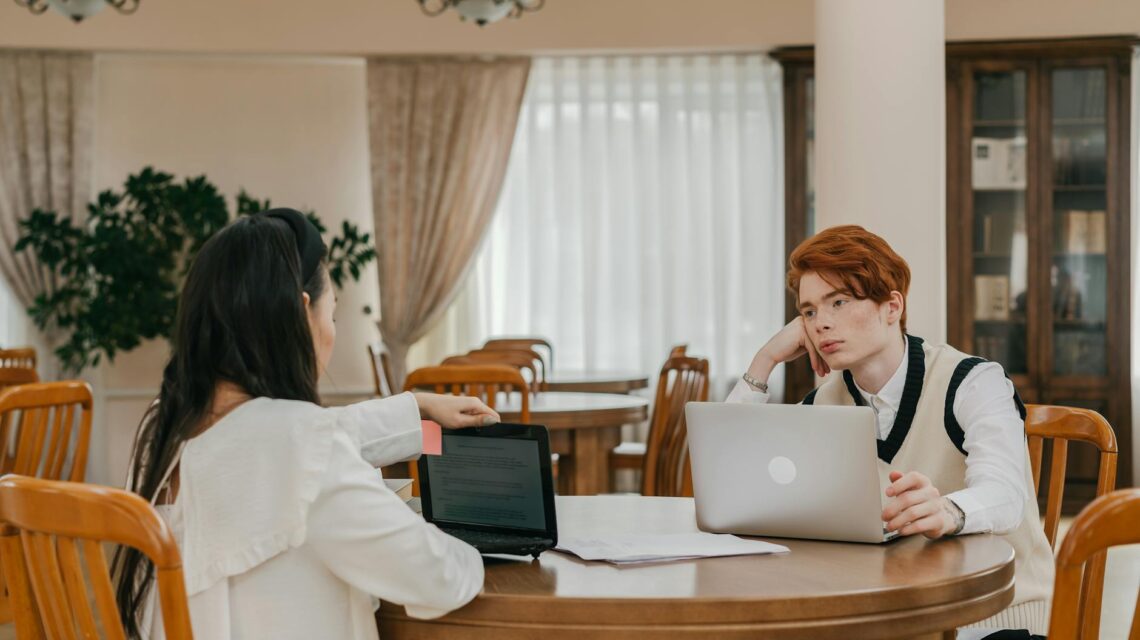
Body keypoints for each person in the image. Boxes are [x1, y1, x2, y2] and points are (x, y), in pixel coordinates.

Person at [113, 208, 498, 640]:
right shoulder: (299, 441)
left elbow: (283, 440)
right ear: (302, 312)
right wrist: (482, 549)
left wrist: (418, 408)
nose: (331, 331)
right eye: (333, 315)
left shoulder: (162, 426)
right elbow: (437, 577)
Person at [727, 225, 1053, 638]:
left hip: (991, 621)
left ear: (892, 307)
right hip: (887, 620)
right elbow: (733, 479)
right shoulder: (824, 402)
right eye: (809, 312)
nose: (821, 323)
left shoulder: (972, 381)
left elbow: (1007, 494)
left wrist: (947, 511)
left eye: (839, 302)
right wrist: (765, 359)